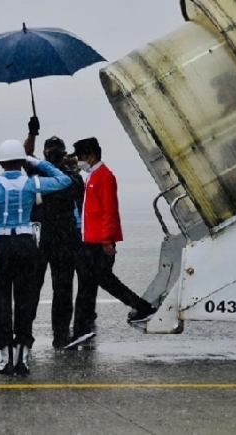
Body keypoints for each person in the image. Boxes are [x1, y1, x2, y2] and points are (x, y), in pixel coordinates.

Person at [0, 138, 71, 376]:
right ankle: (23, 356)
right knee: (25, 300)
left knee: (0, 301)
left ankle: (4, 357)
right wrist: (38, 162)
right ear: (21, 160)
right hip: (27, 244)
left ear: (0, 161)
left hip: (0, 245)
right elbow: (64, 180)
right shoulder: (33, 183)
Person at [66, 137, 158, 349]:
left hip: (98, 242)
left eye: (80, 157)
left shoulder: (104, 177)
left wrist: (107, 240)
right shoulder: (93, 176)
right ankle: (82, 329)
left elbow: (109, 210)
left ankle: (140, 307)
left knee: (102, 283)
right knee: (90, 286)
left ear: (90, 156)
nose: (78, 161)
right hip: (90, 240)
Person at [29, 136, 85, 349]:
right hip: (49, 237)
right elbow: (26, 156)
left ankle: (58, 335)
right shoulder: (43, 174)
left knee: (58, 289)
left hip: (56, 238)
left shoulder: (68, 177)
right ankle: (51, 335)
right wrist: (31, 135)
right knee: (44, 288)